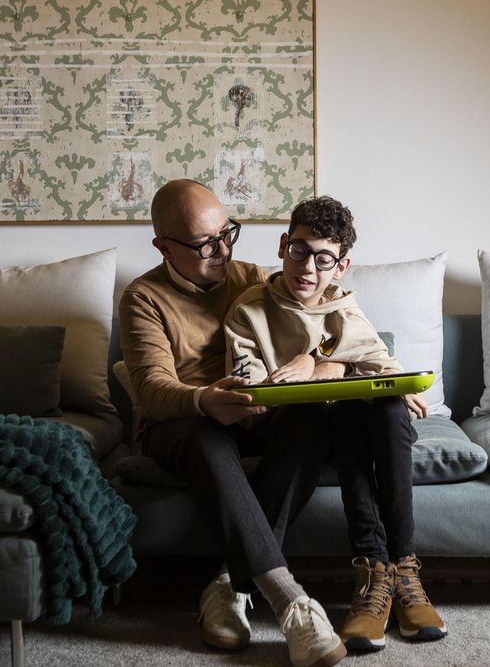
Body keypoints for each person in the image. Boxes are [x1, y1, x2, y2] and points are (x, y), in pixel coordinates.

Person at [118, 179, 347, 667]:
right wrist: (203, 399)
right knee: (206, 437)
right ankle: (291, 601)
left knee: (313, 422)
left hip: (255, 410)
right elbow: (150, 389)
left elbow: (334, 324)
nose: (221, 250)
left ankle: (228, 584)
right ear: (163, 246)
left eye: (227, 234)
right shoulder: (143, 299)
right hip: (181, 421)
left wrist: (316, 360)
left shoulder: (251, 277)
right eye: (204, 244)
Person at [224, 195, 447, 653]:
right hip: (293, 430)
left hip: (350, 427)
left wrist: (324, 363)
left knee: (382, 408)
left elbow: (385, 369)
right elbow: (255, 391)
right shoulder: (249, 309)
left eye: (324, 259)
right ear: (284, 245)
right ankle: (381, 574)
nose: (308, 268)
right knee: (333, 409)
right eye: (300, 251)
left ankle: (392, 570)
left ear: (341, 267)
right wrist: (331, 368)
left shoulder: (345, 309)